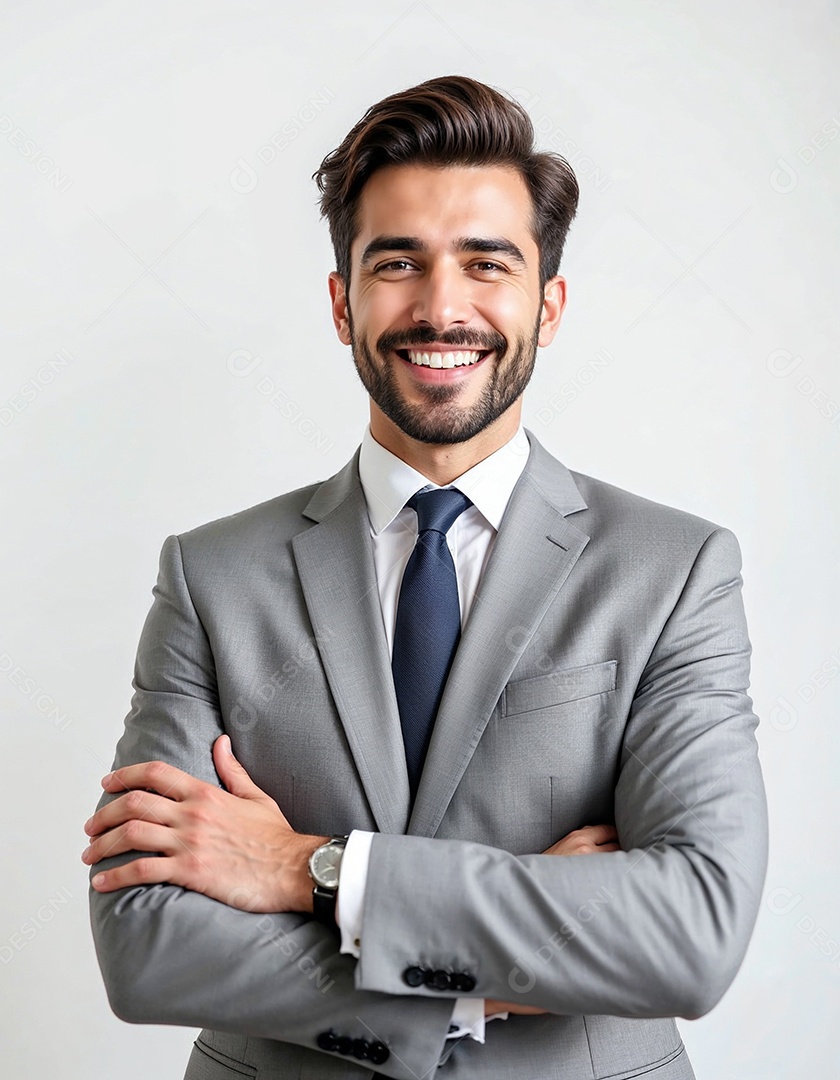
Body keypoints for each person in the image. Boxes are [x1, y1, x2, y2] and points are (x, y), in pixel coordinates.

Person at [83, 75, 768, 1079]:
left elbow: (691, 930)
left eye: (486, 265)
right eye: (397, 263)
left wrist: (310, 870)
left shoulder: (675, 572)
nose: (442, 307)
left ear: (551, 301)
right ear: (340, 301)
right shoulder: (211, 576)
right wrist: (483, 982)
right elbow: (144, 944)